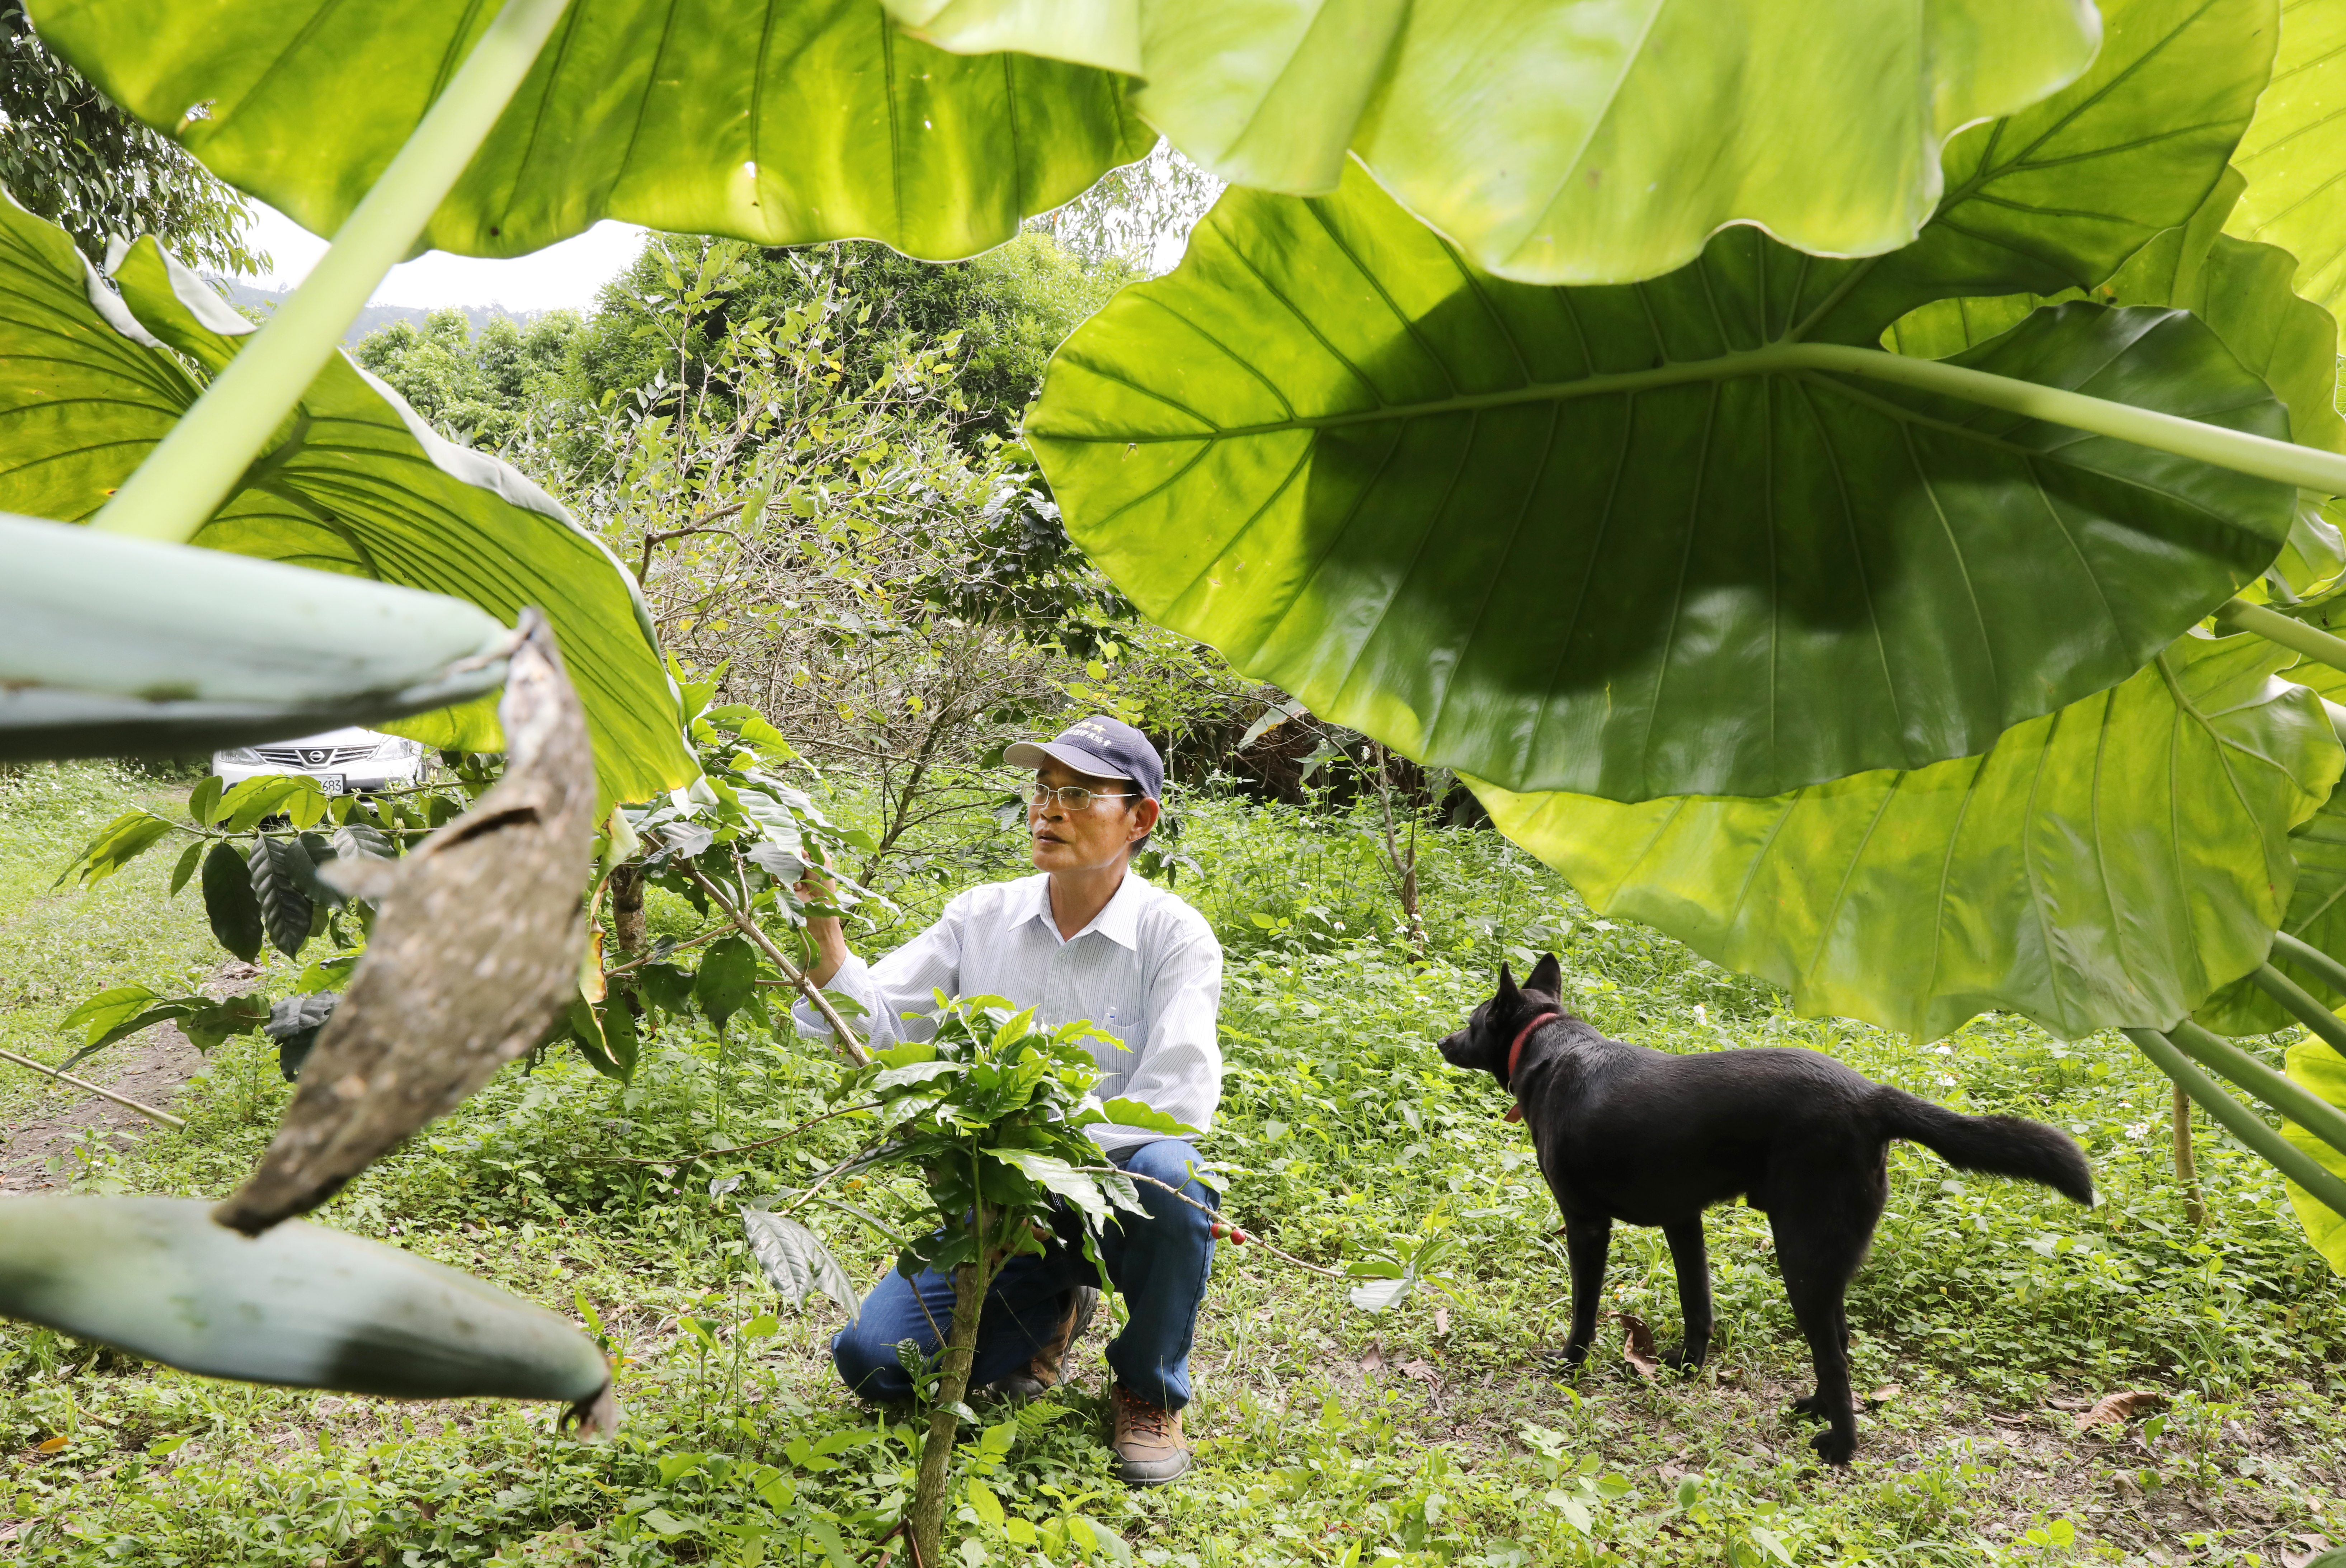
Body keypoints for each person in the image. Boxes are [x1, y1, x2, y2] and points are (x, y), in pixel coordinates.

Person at [793, 715, 1224, 1486]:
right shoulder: (981, 916)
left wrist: (1044, 1166)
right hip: (1002, 1206)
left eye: (1079, 794)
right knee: (874, 1365)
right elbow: (884, 1029)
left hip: (1113, 1192)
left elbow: (1178, 1097)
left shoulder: (1175, 936)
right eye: (1044, 790)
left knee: (1178, 1176)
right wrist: (828, 945)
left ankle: (1147, 1386)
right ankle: (1050, 1313)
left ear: (1140, 817)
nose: (1048, 809)